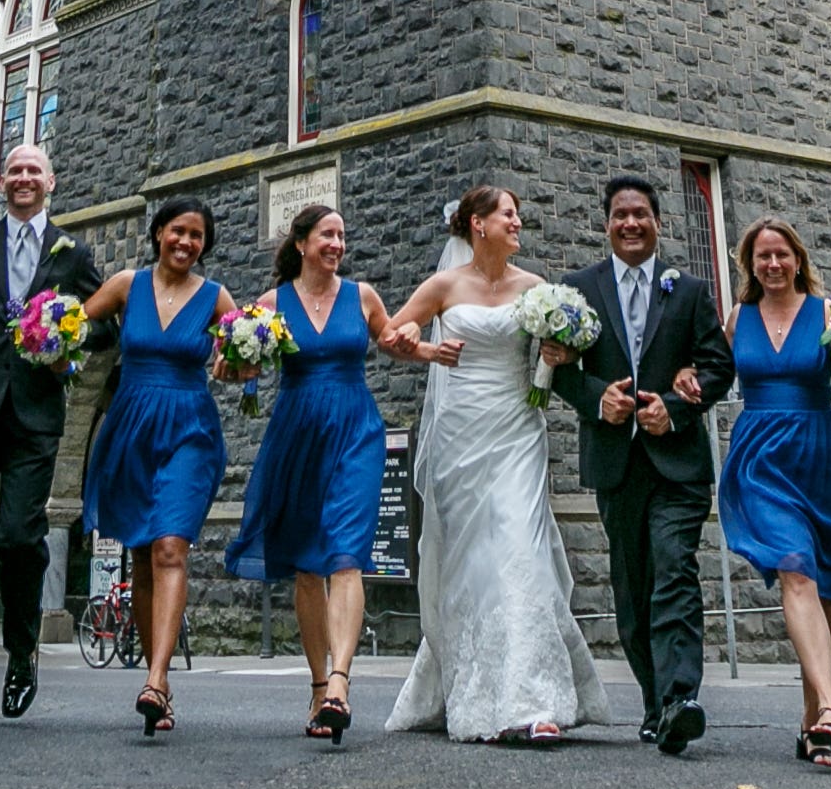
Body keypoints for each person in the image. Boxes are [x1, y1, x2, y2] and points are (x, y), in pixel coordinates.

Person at [382, 183, 610, 744]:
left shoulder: (535, 289)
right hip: (460, 435)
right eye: (508, 213)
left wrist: (561, 351)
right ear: (477, 224)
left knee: (519, 546)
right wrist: (423, 346)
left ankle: (531, 699)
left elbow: (569, 351)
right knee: (469, 562)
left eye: (519, 214)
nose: (518, 222)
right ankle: (468, 679)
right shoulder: (443, 285)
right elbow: (392, 335)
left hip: (515, 430)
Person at [543, 173, 733, 757]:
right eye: (620, 215)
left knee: (675, 569)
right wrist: (597, 396)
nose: (631, 224)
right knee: (633, 585)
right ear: (607, 225)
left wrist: (675, 407)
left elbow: (718, 368)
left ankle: (680, 697)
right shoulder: (577, 291)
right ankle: (657, 704)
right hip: (615, 462)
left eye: (641, 215)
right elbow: (558, 370)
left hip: (677, 462)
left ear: (657, 223)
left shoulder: (691, 290)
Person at [0, 142, 112, 729]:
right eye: (14, 170)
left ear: (51, 182)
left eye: (34, 170)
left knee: (17, 538)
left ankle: (23, 652)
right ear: (1, 182)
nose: (24, 178)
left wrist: (68, 346)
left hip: (35, 414)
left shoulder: (71, 252)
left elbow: (105, 324)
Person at [223, 201, 401, 745]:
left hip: (355, 430)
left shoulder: (363, 296)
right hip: (297, 435)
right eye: (327, 234)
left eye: (342, 236)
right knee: (307, 566)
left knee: (346, 554)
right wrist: (241, 364)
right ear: (301, 243)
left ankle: (341, 686)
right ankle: (318, 684)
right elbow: (228, 366)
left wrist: (430, 348)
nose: (337, 245)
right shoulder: (272, 304)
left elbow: (395, 341)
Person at [81, 195, 236, 735]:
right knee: (143, 555)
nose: (186, 242)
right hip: (131, 426)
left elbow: (243, 355)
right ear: (158, 233)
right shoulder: (126, 285)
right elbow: (72, 325)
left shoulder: (217, 298)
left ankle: (154, 676)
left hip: (189, 428)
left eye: (196, 235)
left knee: (170, 545)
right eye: (178, 231)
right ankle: (159, 684)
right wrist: (44, 338)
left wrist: (236, 365)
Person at [712, 217, 831, 768]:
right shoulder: (737, 319)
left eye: (781, 255)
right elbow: (710, 374)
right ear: (749, 265)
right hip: (760, 457)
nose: (772, 264)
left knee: (817, 589)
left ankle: (812, 728)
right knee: (794, 569)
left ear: (798, 259)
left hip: (819, 454)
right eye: (762, 256)